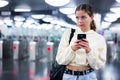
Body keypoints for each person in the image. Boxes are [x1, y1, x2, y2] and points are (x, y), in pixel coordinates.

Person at [56, 3, 107, 80]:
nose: (80, 21)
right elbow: (60, 60)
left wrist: (89, 51)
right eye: (77, 18)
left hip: (89, 76)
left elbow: (98, 65)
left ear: (92, 17)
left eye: (83, 17)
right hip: (68, 76)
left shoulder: (99, 38)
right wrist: (72, 49)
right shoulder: (68, 34)